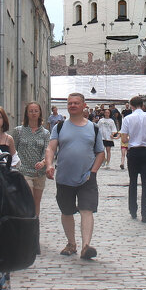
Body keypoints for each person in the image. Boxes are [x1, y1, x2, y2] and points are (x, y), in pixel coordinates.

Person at [44, 93, 104, 260]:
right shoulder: (60, 127)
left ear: (84, 105)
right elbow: (51, 148)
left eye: (76, 103)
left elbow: (100, 153)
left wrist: (93, 172)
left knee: (87, 210)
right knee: (67, 210)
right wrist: (49, 165)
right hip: (64, 177)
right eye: (70, 103)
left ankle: (86, 246)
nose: (72, 105)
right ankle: (71, 243)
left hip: (86, 178)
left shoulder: (93, 128)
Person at [121, 96, 146, 223]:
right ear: (142, 105)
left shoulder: (127, 119)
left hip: (133, 152)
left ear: (131, 106)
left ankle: (133, 210)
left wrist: (132, 138)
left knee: (133, 182)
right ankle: (145, 213)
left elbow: (123, 139)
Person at [11, 103, 50, 217]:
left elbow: (47, 150)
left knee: (36, 202)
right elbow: (13, 149)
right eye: (31, 111)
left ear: (39, 113)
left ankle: (34, 223)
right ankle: (26, 222)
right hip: (23, 170)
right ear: (27, 114)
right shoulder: (19, 131)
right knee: (29, 199)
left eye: (36, 111)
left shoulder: (45, 133)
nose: (33, 113)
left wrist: (43, 162)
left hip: (39, 172)